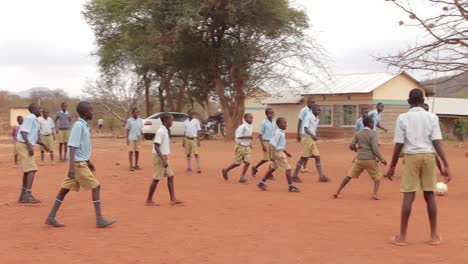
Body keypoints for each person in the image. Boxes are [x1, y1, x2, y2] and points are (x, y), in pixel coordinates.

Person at [385, 88, 450, 246]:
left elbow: (399, 144)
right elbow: (436, 142)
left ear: (409, 102)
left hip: (411, 157)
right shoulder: (432, 117)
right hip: (429, 157)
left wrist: (392, 166)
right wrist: (446, 164)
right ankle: (434, 236)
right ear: (423, 101)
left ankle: (402, 237)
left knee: (408, 196)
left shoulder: (403, 118)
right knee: (430, 196)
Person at [45, 101, 115, 228]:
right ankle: (99, 219)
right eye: (91, 111)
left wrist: (89, 162)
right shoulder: (78, 126)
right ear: (85, 113)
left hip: (80, 163)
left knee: (64, 190)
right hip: (77, 165)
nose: (92, 113)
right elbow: (72, 146)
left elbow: (81, 148)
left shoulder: (83, 126)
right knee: (96, 187)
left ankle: (51, 217)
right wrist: (72, 167)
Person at [333, 117, 387, 200]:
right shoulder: (373, 134)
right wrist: (382, 159)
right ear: (370, 124)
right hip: (370, 159)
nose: (373, 125)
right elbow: (375, 149)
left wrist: (355, 148)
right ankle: (375, 194)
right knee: (377, 178)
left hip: (359, 159)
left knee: (348, 176)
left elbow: (351, 145)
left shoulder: (357, 133)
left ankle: (337, 191)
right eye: (373, 123)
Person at [145, 113, 184, 206]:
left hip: (164, 157)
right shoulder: (161, 131)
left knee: (170, 176)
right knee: (156, 179)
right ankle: (148, 200)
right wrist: (163, 160)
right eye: (171, 120)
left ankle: (173, 199)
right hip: (160, 158)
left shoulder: (165, 130)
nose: (172, 122)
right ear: (166, 121)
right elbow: (156, 146)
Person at [16, 103, 49, 203]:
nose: (41, 110)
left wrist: (43, 144)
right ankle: (28, 195)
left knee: (27, 170)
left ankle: (23, 196)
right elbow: (23, 132)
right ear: (34, 110)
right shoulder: (30, 118)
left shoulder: (34, 120)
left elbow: (32, 136)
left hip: (25, 145)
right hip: (24, 145)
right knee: (32, 169)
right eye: (39, 109)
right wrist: (29, 145)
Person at [257, 117, 300, 193]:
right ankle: (291, 186)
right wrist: (273, 156)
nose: (286, 125)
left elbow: (279, 145)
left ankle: (262, 182)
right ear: (279, 124)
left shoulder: (279, 132)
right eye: (284, 123)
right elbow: (273, 145)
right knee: (288, 168)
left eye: (286, 123)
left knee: (272, 168)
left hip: (279, 152)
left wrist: (286, 152)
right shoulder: (278, 133)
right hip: (277, 154)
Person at [292, 105, 330, 183]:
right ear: (313, 110)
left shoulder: (317, 119)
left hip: (312, 139)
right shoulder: (308, 117)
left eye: (320, 110)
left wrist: (314, 136)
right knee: (303, 158)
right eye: (317, 110)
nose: (319, 112)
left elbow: (312, 129)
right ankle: (295, 175)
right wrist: (313, 135)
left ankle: (321, 176)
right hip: (307, 138)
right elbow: (305, 129)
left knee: (317, 157)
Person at [221, 113, 253, 184]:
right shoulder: (242, 127)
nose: (251, 119)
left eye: (252, 118)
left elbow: (249, 136)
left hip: (247, 147)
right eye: (250, 118)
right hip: (240, 146)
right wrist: (248, 137)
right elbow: (238, 136)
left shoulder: (251, 126)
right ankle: (226, 170)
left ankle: (242, 177)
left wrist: (250, 144)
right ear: (245, 119)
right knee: (237, 163)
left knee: (248, 162)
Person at [252, 108, 276, 178]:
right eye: (270, 113)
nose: (272, 114)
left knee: (272, 158)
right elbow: (260, 135)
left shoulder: (273, 122)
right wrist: (263, 145)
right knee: (266, 159)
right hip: (266, 142)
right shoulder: (264, 122)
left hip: (272, 142)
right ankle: (255, 167)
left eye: (273, 113)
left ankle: (269, 173)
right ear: (266, 114)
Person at [296, 97, 315, 172]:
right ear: (307, 103)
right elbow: (299, 121)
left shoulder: (312, 111)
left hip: (310, 134)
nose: (313, 104)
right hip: (304, 133)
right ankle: (301, 167)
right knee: (306, 151)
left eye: (314, 102)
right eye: (311, 102)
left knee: (308, 151)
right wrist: (298, 133)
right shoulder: (304, 110)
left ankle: (304, 167)